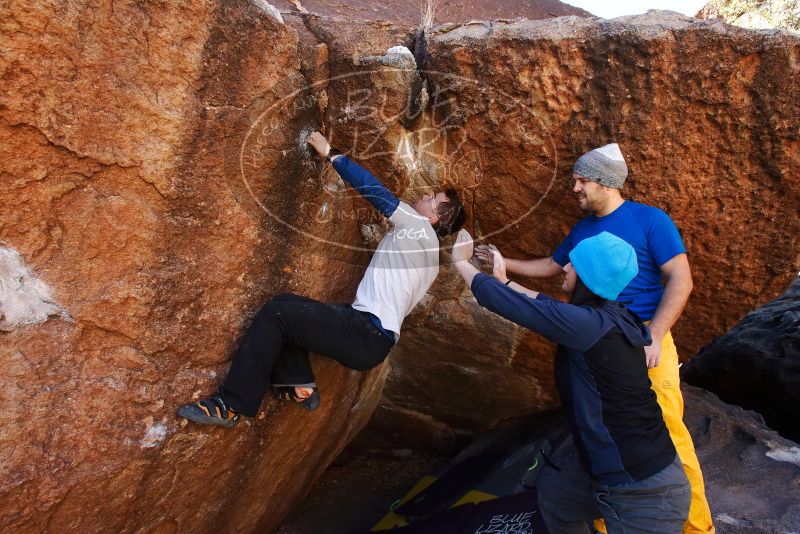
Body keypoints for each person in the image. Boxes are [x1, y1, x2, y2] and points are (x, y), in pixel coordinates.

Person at [475, 143, 713, 534]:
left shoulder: (649, 220)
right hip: (591, 343)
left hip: (642, 341)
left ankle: (698, 528)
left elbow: (681, 279)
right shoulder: (583, 229)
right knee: (595, 431)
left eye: (582, 180)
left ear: (606, 182)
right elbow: (554, 266)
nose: (575, 188)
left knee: (666, 435)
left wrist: (654, 335)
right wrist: (504, 265)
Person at [177, 131, 466, 427]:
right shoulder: (431, 260)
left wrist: (332, 153)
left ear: (433, 219)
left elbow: (375, 191)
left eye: (431, 199)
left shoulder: (416, 226)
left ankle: (231, 405)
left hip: (366, 330)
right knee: (289, 307)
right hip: (372, 337)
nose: (423, 196)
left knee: (276, 314)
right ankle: (300, 384)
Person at [453, 229, 691, 533]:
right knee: (554, 502)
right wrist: (504, 278)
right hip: (602, 473)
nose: (565, 267)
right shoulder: (609, 314)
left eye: (573, 264)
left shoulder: (591, 326)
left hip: (647, 492)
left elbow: (507, 304)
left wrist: (461, 262)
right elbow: (547, 307)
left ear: (589, 276)